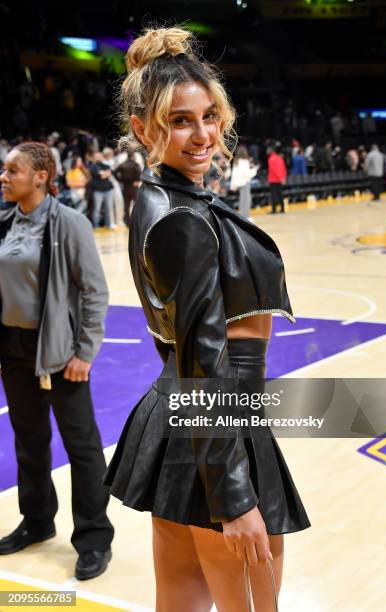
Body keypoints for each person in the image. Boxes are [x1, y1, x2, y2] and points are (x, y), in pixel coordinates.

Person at [104, 26, 310, 611]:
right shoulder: (181, 220)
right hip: (218, 424)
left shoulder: (169, 200)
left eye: (209, 116)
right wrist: (234, 496)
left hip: (188, 419)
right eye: (180, 121)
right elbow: (204, 357)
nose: (203, 135)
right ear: (143, 128)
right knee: (252, 605)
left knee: (182, 599)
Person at [0, 142, 114, 580]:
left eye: (13, 170)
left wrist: (85, 352)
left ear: (42, 177)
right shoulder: (7, 221)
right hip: (13, 349)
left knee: (82, 447)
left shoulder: (69, 223)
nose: (4, 177)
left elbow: (94, 291)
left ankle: (93, 537)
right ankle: (37, 520)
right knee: (28, 441)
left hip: (60, 350)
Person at [230, 145, 258, 221]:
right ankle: (246, 217)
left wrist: (233, 185)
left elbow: (234, 174)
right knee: (246, 200)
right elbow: (248, 174)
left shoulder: (237, 162)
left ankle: (243, 217)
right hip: (245, 183)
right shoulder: (244, 162)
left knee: (243, 200)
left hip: (239, 184)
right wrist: (255, 169)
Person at [114, 151, 142, 226]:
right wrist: (138, 180)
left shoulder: (122, 164)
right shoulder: (136, 164)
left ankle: (127, 222)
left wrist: (120, 180)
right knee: (137, 204)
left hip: (125, 186)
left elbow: (114, 172)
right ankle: (137, 221)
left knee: (126, 205)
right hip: (133, 187)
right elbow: (140, 174)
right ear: (133, 156)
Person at [90, 151, 115, 228]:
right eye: (97, 156)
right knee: (97, 209)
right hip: (98, 191)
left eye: (100, 156)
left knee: (109, 208)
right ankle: (96, 225)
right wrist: (105, 174)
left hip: (108, 190)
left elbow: (109, 173)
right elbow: (100, 176)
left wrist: (103, 173)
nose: (98, 157)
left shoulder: (106, 165)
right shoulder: (93, 167)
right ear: (94, 157)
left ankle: (108, 224)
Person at [267, 145, 286, 214]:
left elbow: (274, 170)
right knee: (280, 194)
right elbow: (284, 169)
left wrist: (280, 178)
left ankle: (274, 210)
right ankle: (282, 209)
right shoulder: (280, 158)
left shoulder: (271, 159)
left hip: (273, 180)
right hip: (280, 179)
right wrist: (283, 178)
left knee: (274, 195)